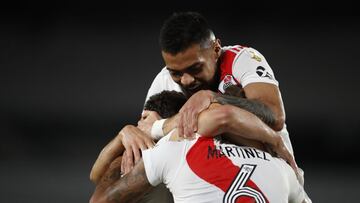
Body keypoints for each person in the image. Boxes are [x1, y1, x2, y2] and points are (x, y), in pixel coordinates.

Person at [132, 11, 294, 174]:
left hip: (272, 172)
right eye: (176, 73)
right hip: (205, 181)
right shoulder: (163, 80)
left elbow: (275, 116)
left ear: (216, 49)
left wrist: (212, 97)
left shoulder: (242, 59)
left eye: (195, 68)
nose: (186, 80)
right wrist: (126, 133)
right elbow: (145, 135)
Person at [90, 91, 308, 203]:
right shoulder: (281, 168)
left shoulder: (171, 151)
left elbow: (97, 194)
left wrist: (153, 129)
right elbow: (225, 116)